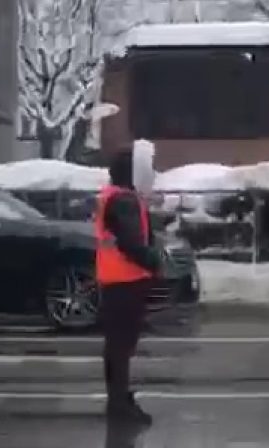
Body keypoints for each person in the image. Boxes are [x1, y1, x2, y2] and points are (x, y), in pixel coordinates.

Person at [96, 148, 162, 425]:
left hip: (114, 280)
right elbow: (132, 242)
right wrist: (155, 262)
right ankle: (120, 404)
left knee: (116, 346)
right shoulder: (123, 200)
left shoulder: (111, 195)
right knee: (122, 346)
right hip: (126, 281)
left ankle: (117, 399)